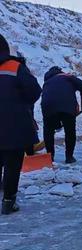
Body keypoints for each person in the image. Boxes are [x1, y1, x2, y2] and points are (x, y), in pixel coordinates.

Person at [0, 34, 41, 214]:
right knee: (12, 163)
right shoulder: (14, 67)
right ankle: (9, 201)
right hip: (13, 125)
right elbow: (33, 91)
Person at [41, 66, 82, 163]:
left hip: (48, 107)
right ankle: (69, 157)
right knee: (70, 131)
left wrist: (56, 124)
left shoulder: (47, 82)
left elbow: (48, 99)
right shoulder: (67, 77)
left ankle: (49, 158)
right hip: (67, 106)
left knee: (48, 131)